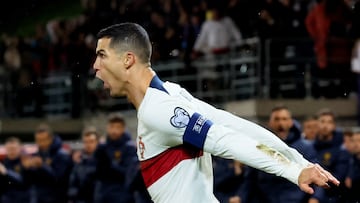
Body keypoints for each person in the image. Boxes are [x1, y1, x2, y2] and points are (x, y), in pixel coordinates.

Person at [93, 22, 339, 203]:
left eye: (102, 55)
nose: (95, 66)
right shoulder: (173, 94)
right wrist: (299, 162)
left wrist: (295, 170)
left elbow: (225, 139)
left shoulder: (159, 111)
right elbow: (236, 125)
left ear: (127, 60)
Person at [238, 105, 317, 203]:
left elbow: (314, 175)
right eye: (277, 119)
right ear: (270, 122)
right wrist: (240, 196)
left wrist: (316, 198)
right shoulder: (261, 146)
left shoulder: (305, 148)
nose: (280, 123)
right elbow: (250, 178)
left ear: (291, 122)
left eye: (284, 119)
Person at [93, 113, 150, 203]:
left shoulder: (130, 148)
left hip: (122, 195)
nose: (114, 131)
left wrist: (109, 165)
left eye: (118, 127)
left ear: (123, 129)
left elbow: (129, 173)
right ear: (107, 128)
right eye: (112, 127)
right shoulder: (102, 148)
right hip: (103, 195)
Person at [22, 123, 73, 203]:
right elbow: (28, 182)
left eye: (43, 140)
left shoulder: (62, 155)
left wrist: (42, 166)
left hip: (57, 199)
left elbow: (59, 179)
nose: (40, 143)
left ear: (51, 139)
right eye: (38, 140)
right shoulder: (36, 155)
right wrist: (26, 168)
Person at [309, 108, 350, 203]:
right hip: (308, 193)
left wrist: (317, 196)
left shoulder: (342, 150)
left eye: (329, 122)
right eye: (322, 121)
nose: (325, 126)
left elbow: (337, 178)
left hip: (332, 197)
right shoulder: (310, 147)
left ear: (334, 125)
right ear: (317, 124)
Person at [68, 127, 99, 203]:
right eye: (86, 142)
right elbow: (73, 183)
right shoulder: (79, 161)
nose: (88, 145)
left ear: (97, 142)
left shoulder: (103, 160)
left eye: (91, 141)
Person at [0, 137, 32, 203]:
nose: (12, 151)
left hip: (22, 199)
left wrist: (6, 172)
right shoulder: (3, 163)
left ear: (20, 148)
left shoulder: (25, 163)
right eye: (9, 149)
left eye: (14, 149)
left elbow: (23, 182)